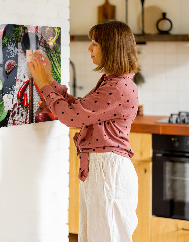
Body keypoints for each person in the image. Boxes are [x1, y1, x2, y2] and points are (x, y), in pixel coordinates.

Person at [28, 20, 140, 242]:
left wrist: (43, 83)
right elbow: (79, 109)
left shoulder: (117, 87)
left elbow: (71, 117)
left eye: (95, 43)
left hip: (108, 172)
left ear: (111, 48)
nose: (89, 48)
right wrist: (49, 80)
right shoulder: (113, 82)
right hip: (103, 169)